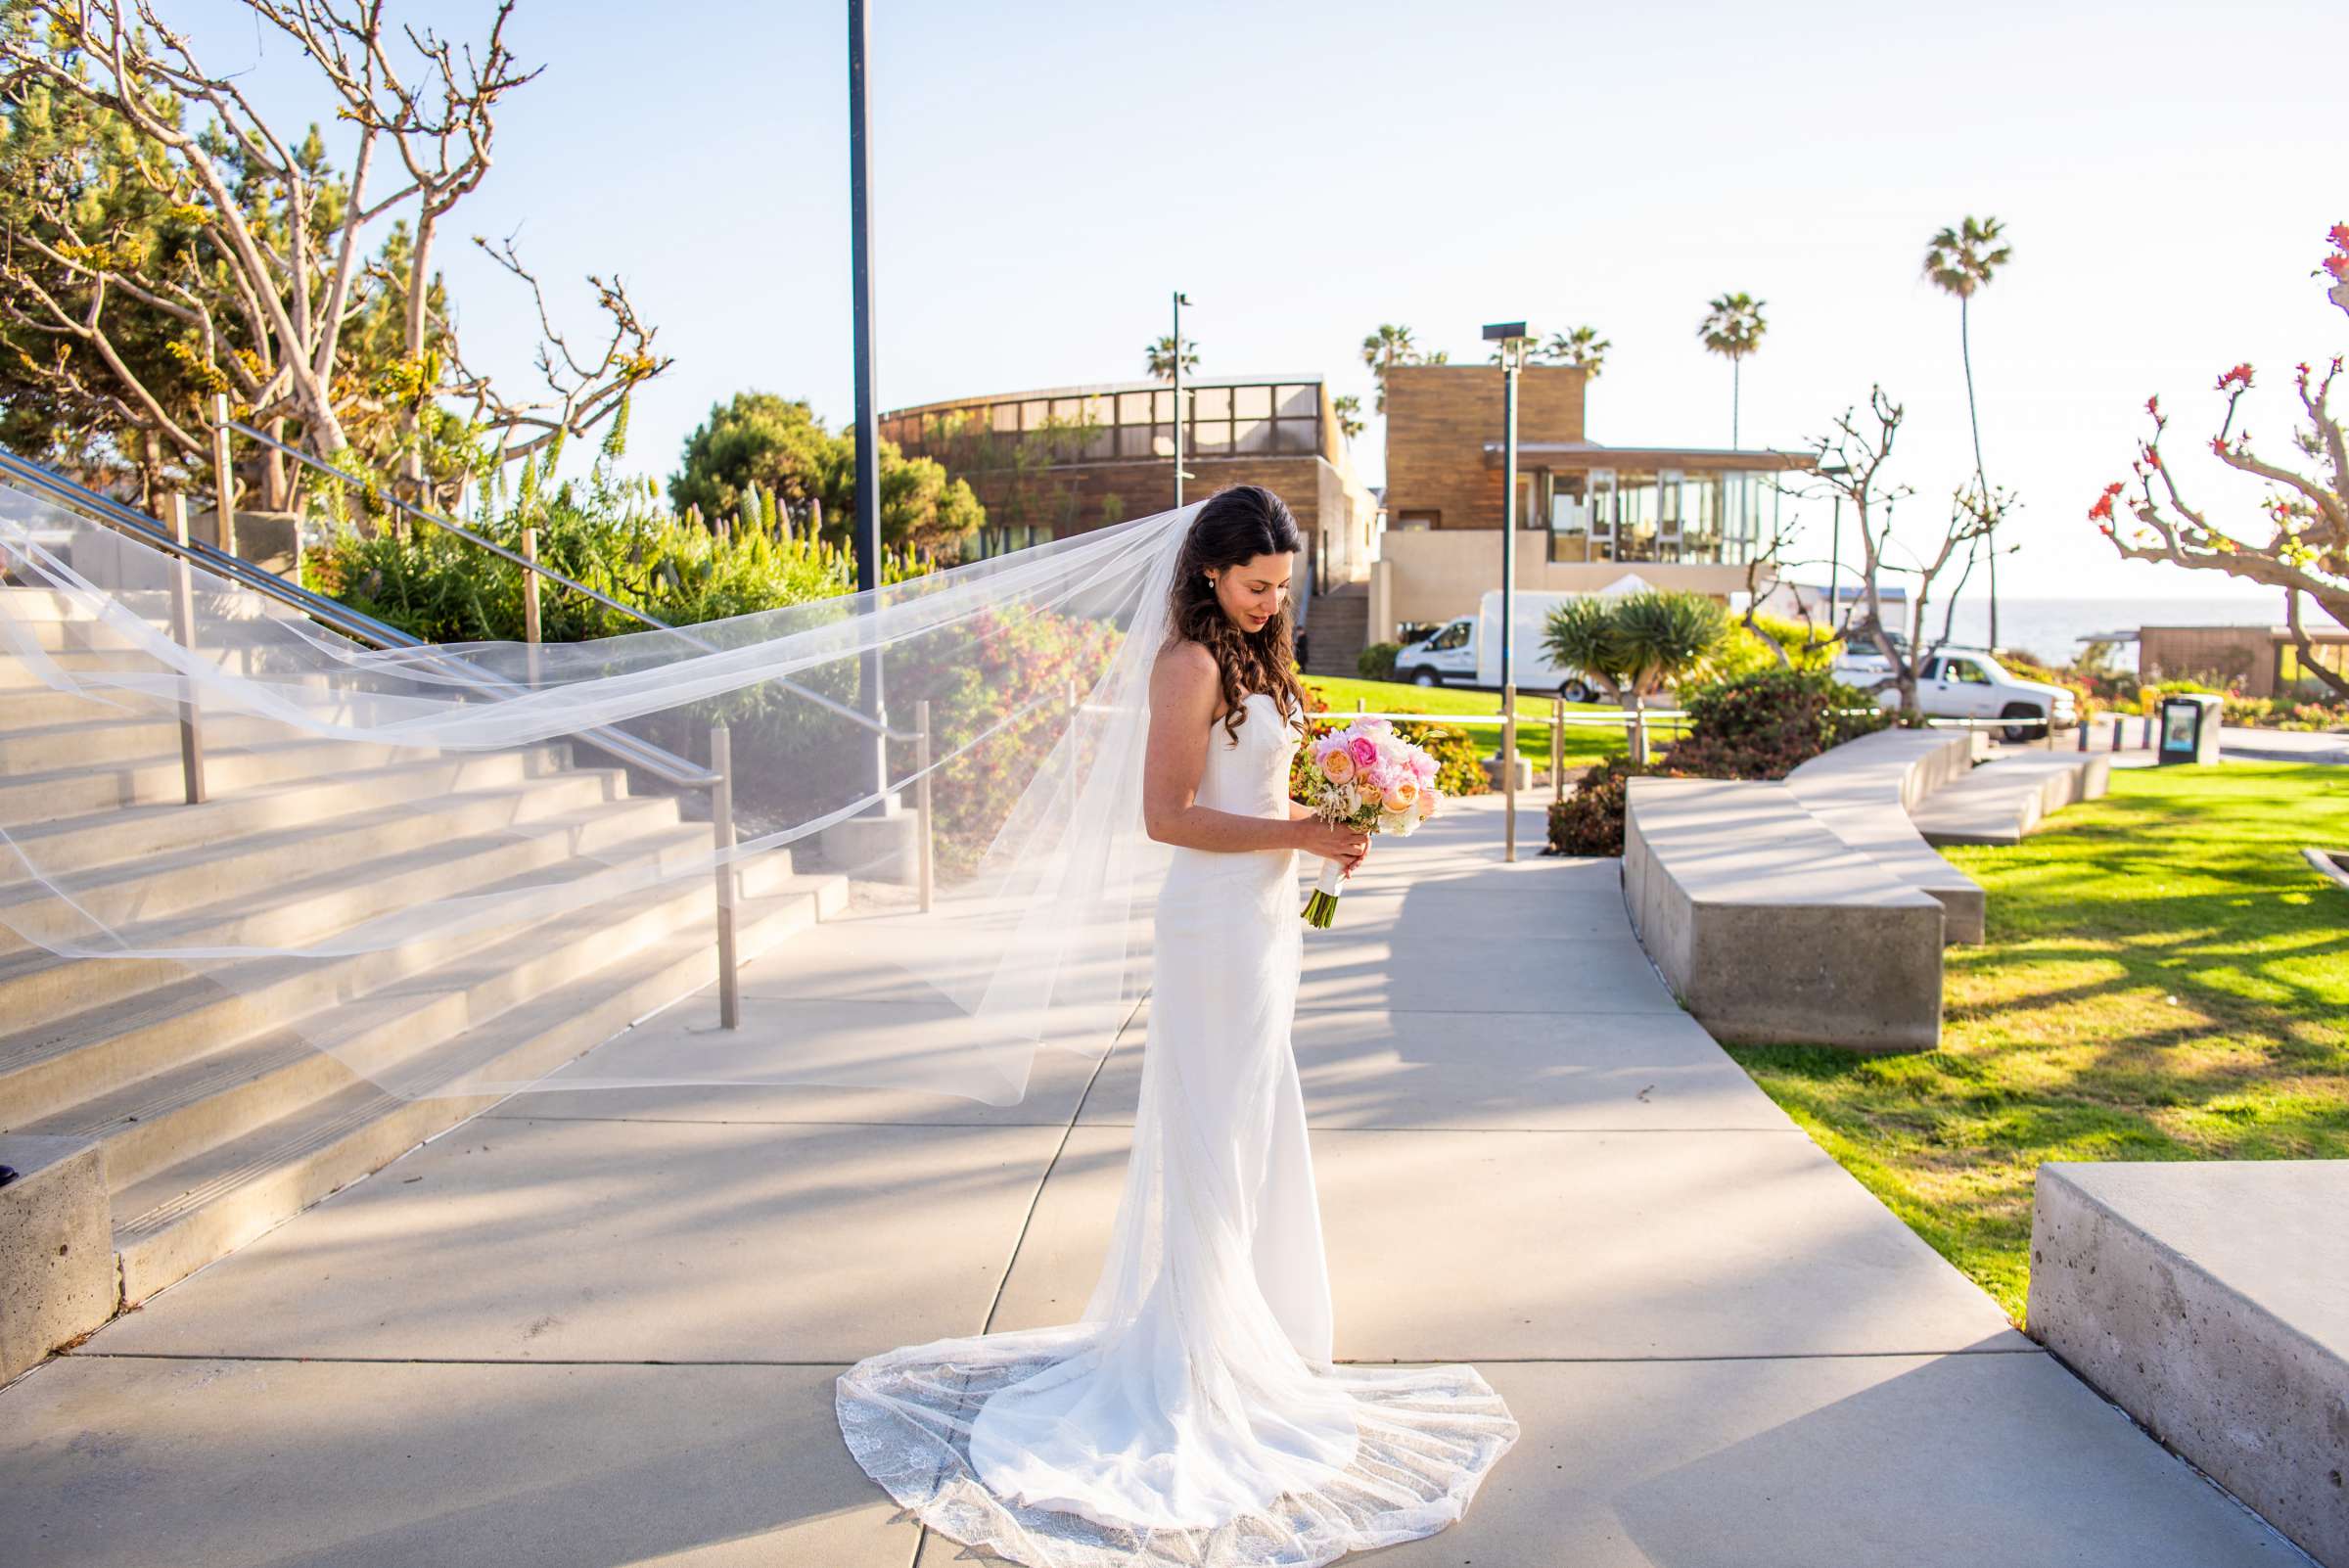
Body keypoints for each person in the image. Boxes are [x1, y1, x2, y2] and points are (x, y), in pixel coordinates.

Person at [835, 485, 1519, 1568]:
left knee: (1249, 1125)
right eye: (1255, 585)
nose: (1268, 604)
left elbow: (1266, 777)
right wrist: (1301, 828)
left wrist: (1340, 812)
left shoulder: (1259, 660)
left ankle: (1252, 1329)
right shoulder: (1185, 665)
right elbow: (1167, 817)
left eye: (1283, 588)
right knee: (1211, 1129)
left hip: (1262, 925)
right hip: (1208, 928)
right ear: (1208, 571)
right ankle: (1200, 1360)